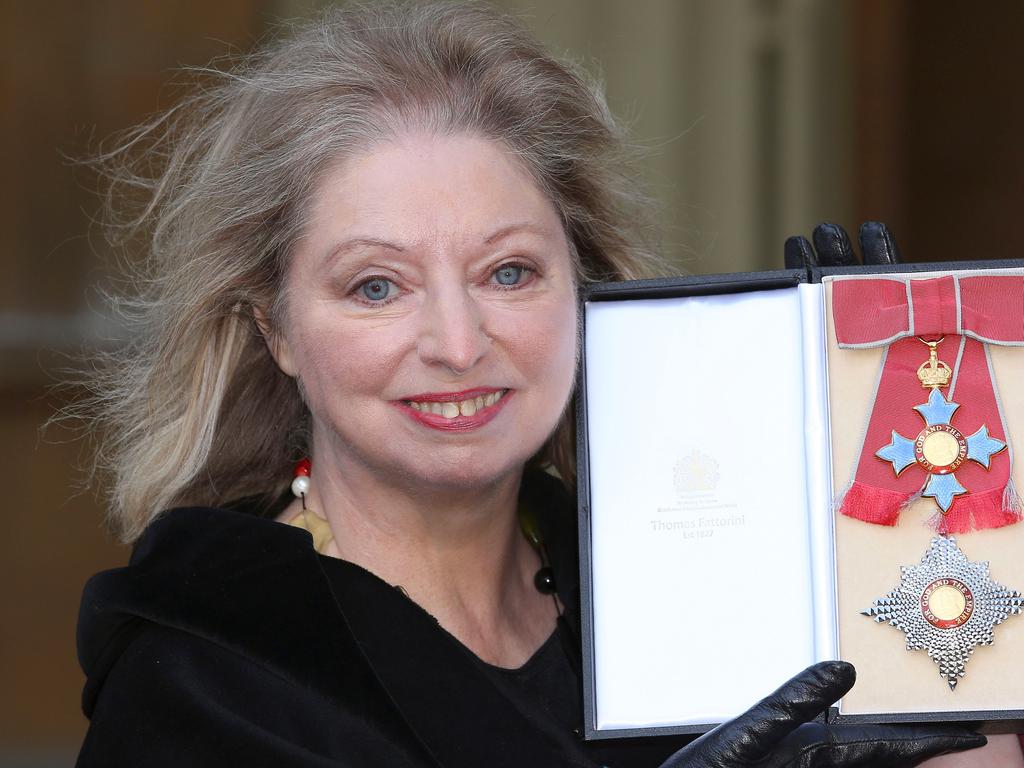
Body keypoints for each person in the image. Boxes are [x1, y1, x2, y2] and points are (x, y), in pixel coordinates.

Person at [73, 3, 997, 766]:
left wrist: (923, 502)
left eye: (508, 272)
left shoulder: (694, 583)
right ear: (275, 330)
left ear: (585, 289)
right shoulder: (206, 678)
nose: (458, 342)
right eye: (377, 286)